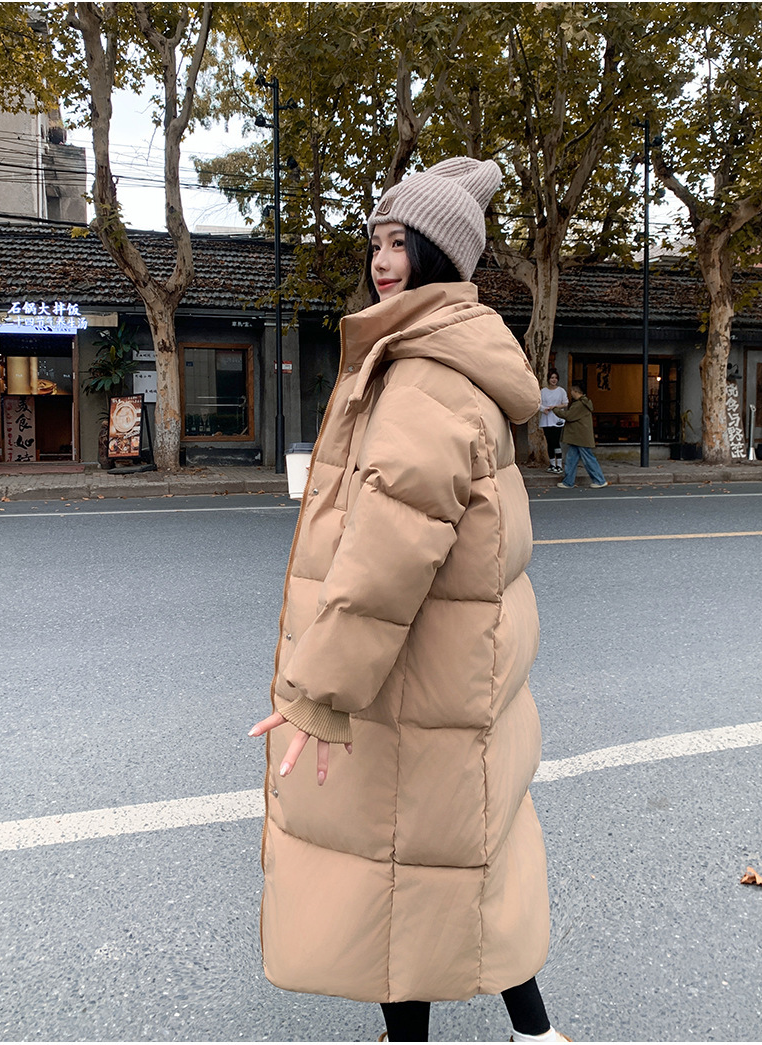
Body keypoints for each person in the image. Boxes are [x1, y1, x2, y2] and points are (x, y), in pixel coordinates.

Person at [249, 158, 571, 1044]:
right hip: (448, 678)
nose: (383, 262)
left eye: (402, 244)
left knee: (397, 881)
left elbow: (387, 548)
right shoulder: (451, 356)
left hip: (404, 684)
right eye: (377, 244)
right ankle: (537, 1034)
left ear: (441, 258)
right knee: (461, 862)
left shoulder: (424, 375)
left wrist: (319, 691)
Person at [553, 383, 608, 489]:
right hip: (579, 436)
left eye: (571, 391)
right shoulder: (584, 403)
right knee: (571, 459)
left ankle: (599, 480)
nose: (571, 393)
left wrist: (555, 409)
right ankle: (568, 482)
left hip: (580, 437)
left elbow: (569, 416)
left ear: (576, 391)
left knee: (587, 459)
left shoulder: (579, 404)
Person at [539, 369, 568, 472]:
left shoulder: (561, 391)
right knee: (549, 442)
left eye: (555, 378)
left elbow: (565, 403)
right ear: (548, 379)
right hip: (546, 419)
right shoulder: (543, 391)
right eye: (552, 378)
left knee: (556, 442)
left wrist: (555, 407)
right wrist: (544, 409)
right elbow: (538, 404)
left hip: (557, 419)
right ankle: (552, 464)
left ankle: (559, 465)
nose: (554, 380)